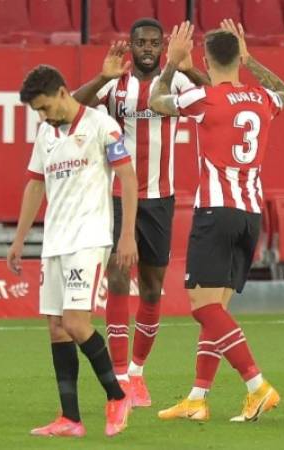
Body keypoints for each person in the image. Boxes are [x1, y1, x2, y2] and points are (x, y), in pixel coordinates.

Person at [148, 19, 284, 422]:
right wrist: (254, 61)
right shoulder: (262, 97)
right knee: (218, 308)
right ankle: (197, 397)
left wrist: (173, 64)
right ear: (239, 56)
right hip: (250, 214)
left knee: (201, 306)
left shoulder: (203, 99)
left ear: (207, 59)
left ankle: (256, 384)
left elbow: (157, 101)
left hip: (216, 211)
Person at [73, 17, 209, 407]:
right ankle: (118, 377)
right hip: (115, 195)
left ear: (162, 47)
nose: (147, 49)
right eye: (141, 43)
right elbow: (72, 108)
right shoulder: (116, 83)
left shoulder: (177, 83)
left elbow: (221, 98)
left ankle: (137, 374)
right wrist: (101, 77)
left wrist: (189, 68)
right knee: (117, 278)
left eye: (153, 43)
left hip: (160, 200)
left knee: (151, 288)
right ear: (130, 47)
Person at [7, 64, 139, 437]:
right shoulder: (45, 135)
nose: (43, 115)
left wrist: (126, 234)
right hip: (55, 242)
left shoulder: (100, 125)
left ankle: (118, 395)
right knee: (56, 328)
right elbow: (35, 186)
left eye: (45, 107)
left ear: (63, 92)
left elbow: (127, 178)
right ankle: (70, 419)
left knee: (76, 323)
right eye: (37, 111)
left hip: (89, 237)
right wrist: (19, 240)